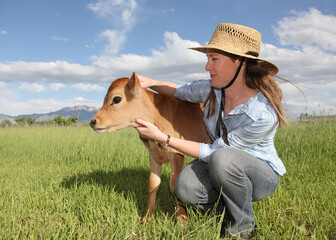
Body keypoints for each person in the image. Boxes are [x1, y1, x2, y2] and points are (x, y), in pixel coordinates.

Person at [135, 23, 287, 239]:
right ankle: (224, 213)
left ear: (240, 62)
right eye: (207, 59)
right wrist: (149, 82)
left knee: (223, 159)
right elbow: (178, 91)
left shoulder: (262, 114)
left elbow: (214, 152)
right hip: (220, 165)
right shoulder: (210, 90)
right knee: (184, 186)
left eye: (214, 59)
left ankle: (243, 227)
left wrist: (163, 138)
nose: (207, 67)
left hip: (259, 176)